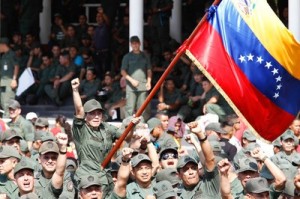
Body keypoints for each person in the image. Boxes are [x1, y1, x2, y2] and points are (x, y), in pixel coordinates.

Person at [71, 77, 123, 197]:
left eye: (98, 113)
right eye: (92, 113)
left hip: (106, 179)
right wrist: (75, 90)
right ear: (86, 116)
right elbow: (79, 110)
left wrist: (132, 124)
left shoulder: (106, 128)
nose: (96, 116)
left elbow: (124, 135)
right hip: (89, 180)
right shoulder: (81, 130)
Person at [121, 36, 152, 120]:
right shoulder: (127, 57)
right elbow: (123, 71)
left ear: (140, 43)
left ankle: (141, 125)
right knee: (129, 107)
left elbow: (149, 70)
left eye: (136, 43)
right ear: (130, 44)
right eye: (133, 43)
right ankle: (128, 126)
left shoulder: (145, 56)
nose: (135, 45)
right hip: (131, 86)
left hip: (143, 85)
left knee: (142, 108)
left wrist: (149, 81)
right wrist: (131, 80)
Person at [35, 134, 75, 199]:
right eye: (46, 157)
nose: (50, 161)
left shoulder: (66, 177)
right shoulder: (33, 178)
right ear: (39, 159)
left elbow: (67, 197)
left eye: (54, 158)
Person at [0, 38, 19, 115]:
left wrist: (14, 79)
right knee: (2, 102)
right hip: (2, 82)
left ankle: (7, 120)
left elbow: (16, 66)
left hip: (9, 81)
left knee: (8, 103)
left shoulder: (12, 54)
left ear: (3, 45)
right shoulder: (3, 56)